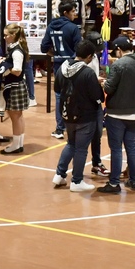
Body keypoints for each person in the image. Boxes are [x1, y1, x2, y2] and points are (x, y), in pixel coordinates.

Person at [99, 36, 135, 194]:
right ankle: (133, 180)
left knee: (116, 149)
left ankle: (114, 184)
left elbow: (109, 88)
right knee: (132, 146)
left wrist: (103, 83)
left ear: (119, 50)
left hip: (118, 113)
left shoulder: (119, 65)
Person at [52, 41, 103, 192]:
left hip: (67, 113)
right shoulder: (88, 73)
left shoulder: (63, 68)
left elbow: (57, 88)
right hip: (85, 116)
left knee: (71, 144)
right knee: (81, 149)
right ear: (89, 56)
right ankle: (76, 181)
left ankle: (60, 175)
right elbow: (97, 96)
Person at [42, 0, 81, 140]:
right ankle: (75, 127)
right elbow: (79, 48)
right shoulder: (73, 28)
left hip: (58, 66)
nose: (75, 13)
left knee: (59, 97)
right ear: (66, 12)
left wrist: (56, 55)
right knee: (75, 95)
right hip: (72, 64)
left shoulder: (51, 26)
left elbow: (44, 47)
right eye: (73, 11)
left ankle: (59, 129)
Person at [0, 24, 30, 155]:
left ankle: (16, 145)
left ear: (13, 35)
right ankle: (19, 143)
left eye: (6, 35)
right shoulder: (16, 49)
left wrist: (5, 69)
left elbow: (17, 71)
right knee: (18, 116)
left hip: (15, 86)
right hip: (17, 86)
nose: (4, 37)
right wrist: (5, 60)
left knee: (15, 117)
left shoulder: (16, 51)